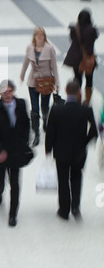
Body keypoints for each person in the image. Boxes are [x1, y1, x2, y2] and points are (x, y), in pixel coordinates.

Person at [45, 80, 98, 221]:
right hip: (79, 152)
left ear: (66, 92)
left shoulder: (56, 109)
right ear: (79, 92)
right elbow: (94, 130)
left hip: (61, 151)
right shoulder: (86, 110)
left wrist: (48, 148)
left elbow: (50, 131)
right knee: (76, 178)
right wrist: (85, 142)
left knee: (62, 180)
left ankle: (64, 210)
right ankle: (75, 206)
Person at [0, 80, 31, 227]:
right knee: (1, 179)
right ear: (0, 93)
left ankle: (13, 214)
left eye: (10, 91)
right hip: (1, 153)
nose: (8, 94)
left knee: (15, 183)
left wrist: (24, 143)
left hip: (16, 152)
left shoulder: (22, 104)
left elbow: (26, 124)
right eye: (5, 92)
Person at [20, 27, 60, 147]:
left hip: (46, 81)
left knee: (44, 105)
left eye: (41, 35)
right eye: (37, 35)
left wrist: (57, 82)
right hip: (33, 80)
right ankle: (36, 133)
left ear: (44, 36)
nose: (39, 37)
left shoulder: (50, 48)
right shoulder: (30, 48)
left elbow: (54, 66)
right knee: (34, 108)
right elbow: (26, 62)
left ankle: (46, 121)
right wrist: (22, 74)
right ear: (34, 36)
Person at [64, 9, 99, 106]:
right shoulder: (92, 30)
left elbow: (72, 39)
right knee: (89, 78)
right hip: (88, 57)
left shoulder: (74, 28)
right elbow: (95, 38)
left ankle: (77, 99)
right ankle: (87, 100)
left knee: (77, 78)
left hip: (75, 57)